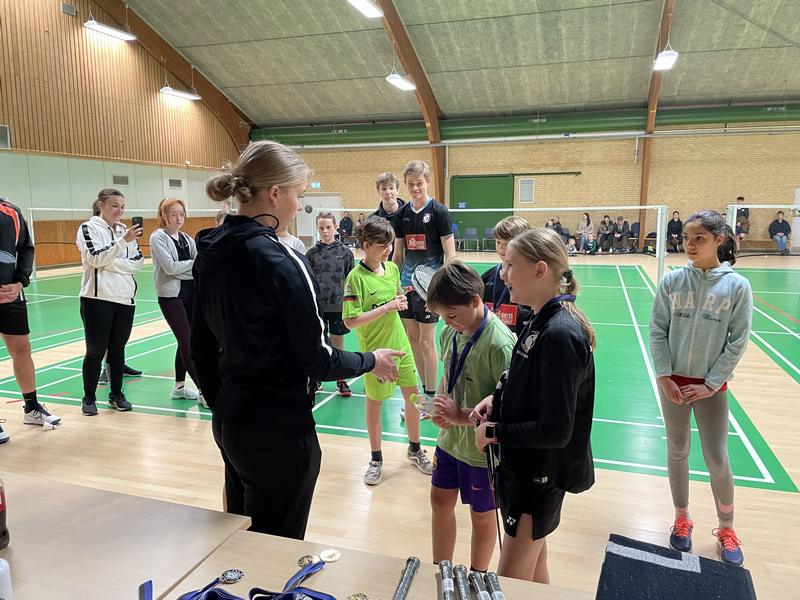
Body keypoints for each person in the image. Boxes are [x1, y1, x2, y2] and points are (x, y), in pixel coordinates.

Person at [193, 140, 403, 539]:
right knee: (275, 548)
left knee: (238, 540)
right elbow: (319, 360)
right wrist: (371, 360)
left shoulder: (210, 251)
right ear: (275, 194)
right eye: (299, 196)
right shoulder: (283, 262)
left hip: (231, 421)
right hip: (279, 429)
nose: (298, 207)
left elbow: (199, 348)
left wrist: (222, 403)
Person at [471, 227, 595, 582]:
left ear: (540, 270)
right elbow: (529, 383)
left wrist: (494, 432)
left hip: (537, 478)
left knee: (508, 583)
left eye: (511, 265)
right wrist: (497, 399)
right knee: (535, 574)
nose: (502, 274)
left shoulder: (560, 334)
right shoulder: (538, 319)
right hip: (523, 470)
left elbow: (556, 430)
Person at [649, 210, 752, 567]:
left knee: (716, 457)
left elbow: (738, 340)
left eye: (699, 238)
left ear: (718, 240)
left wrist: (712, 383)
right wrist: (664, 376)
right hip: (674, 384)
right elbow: (657, 330)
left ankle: (727, 527)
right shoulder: (672, 281)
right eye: (686, 238)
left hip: (711, 387)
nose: (689, 245)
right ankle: (682, 517)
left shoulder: (737, 286)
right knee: (677, 449)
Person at [427, 261, 515, 573]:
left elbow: (506, 412)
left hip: (481, 453)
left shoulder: (500, 344)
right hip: (450, 443)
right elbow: (446, 373)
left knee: (482, 515)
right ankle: (442, 569)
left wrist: (460, 416)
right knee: (439, 501)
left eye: (451, 315)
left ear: (475, 301)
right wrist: (440, 407)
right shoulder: (449, 332)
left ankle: (478, 575)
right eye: (442, 316)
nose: (446, 321)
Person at [342, 216, 431, 485]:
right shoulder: (355, 278)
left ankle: (415, 449)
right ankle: (376, 459)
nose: (388, 250)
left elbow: (395, 298)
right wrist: (387, 307)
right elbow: (350, 321)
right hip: (376, 354)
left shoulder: (392, 269)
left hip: (401, 347)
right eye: (382, 246)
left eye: (390, 244)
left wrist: (399, 300)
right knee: (375, 404)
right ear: (366, 245)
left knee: (413, 398)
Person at [76, 188, 144, 416]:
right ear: (101, 205)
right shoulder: (88, 228)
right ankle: (89, 397)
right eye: (115, 206)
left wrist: (111, 262)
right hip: (97, 300)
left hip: (125, 299)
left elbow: (137, 261)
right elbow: (96, 258)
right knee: (95, 351)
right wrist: (122, 244)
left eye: (122, 207)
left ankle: (116, 394)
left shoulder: (125, 230)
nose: (119, 211)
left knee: (117, 350)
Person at [392, 159, 456, 401]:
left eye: (419, 183)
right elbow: (398, 255)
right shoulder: (401, 215)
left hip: (429, 288)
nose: (415, 188)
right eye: (410, 184)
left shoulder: (439, 212)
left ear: (428, 182)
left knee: (427, 341)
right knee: (413, 340)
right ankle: (424, 392)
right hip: (407, 287)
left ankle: (431, 397)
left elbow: (450, 255)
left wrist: (439, 289)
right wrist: (395, 285)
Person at [0, 197, 61, 444]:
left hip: (11, 295)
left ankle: (31, 407)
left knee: (22, 350)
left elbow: (26, 249)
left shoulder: (11, 212)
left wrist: (19, 282)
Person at [149, 198, 204, 406]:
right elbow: (170, 268)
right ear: (164, 215)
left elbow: (199, 265)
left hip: (191, 294)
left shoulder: (187, 239)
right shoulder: (158, 237)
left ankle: (179, 387)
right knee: (187, 342)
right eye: (173, 214)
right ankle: (204, 390)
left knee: (186, 341)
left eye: (181, 214)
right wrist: (191, 266)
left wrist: (186, 267)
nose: (178, 218)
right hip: (171, 297)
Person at [306, 212, 355, 397]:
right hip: (318, 308)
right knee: (318, 345)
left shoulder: (346, 253)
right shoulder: (311, 253)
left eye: (328, 227)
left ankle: (341, 380)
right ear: (317, 229)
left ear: (335, 227)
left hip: (338, 308)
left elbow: (350, 280)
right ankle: (317, 378)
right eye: (321, 228)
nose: (325, 231)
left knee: (338, 345)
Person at [481, 216, 531, 334]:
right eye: (498, 242)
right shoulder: (487, 277)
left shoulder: (533, 281)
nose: (501, 247)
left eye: (507, 242)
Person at [371, 172, 406, 260]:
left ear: (397, 190)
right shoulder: (372, 220)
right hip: (383, 265)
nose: (388, 192)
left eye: (391, 188)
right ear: (379, 192)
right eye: (384, 189)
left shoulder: (410, 214)